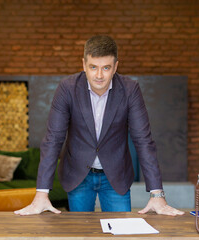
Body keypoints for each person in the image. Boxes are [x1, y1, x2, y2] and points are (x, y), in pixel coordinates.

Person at [14, 35, 184, 216]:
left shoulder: (130, 90)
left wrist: (157, 193)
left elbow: (143, 140)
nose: (99, 75)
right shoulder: (67, 88)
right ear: (84, 65)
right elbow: (53, 139)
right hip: (78, 175)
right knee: (80, 233)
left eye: (106, 68)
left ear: (116, 67)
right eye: (93, 67)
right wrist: (42, 192)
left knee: (121, 234)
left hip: (116, 176)